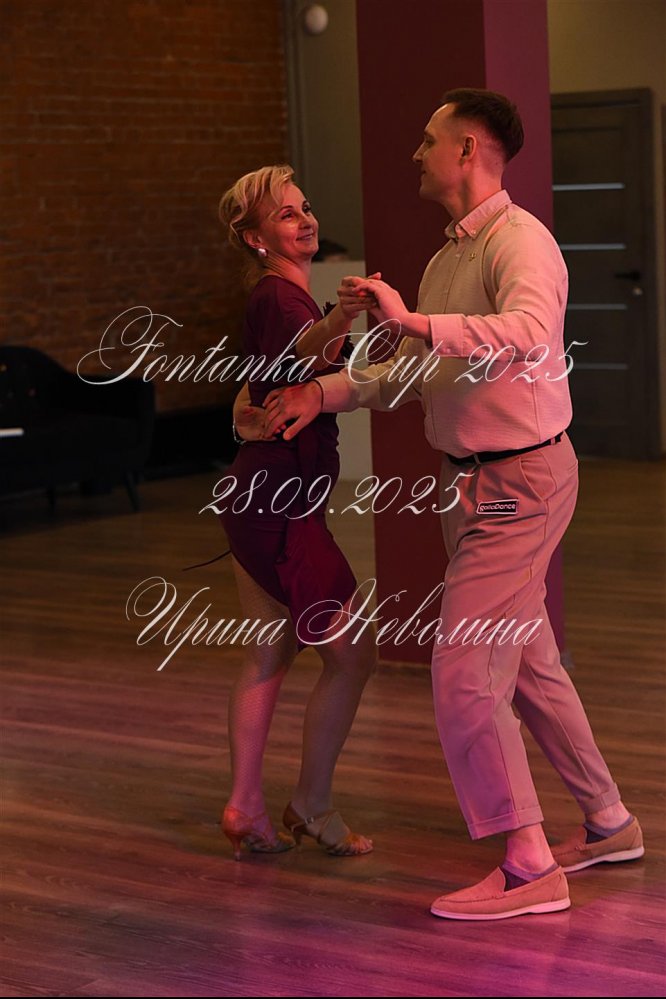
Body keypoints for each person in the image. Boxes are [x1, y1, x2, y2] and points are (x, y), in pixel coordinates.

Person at [254, 90, 644, 918]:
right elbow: (414, 373)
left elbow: (530, 333)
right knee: (527, 664)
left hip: (520, 483)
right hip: (469, 484)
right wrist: (324, 392)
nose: (416, 153)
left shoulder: (522, 241)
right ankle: (609, 821)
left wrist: (421, 322)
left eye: (429, 139)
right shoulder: (445, 260)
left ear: (467, 149)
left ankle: (530, 865)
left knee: (465, 671)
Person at [216, 165, 376, 860]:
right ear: (255, 238)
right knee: (354, 656)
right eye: (285, 214)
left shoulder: (282, 295)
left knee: (268, 651)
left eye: (305, 206)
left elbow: (277, 373)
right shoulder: (282, 296)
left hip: (263, 498)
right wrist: (342, 318)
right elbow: (300, 350)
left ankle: (246, 806)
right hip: (279, 507)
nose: (305, 218)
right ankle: (311, 804)